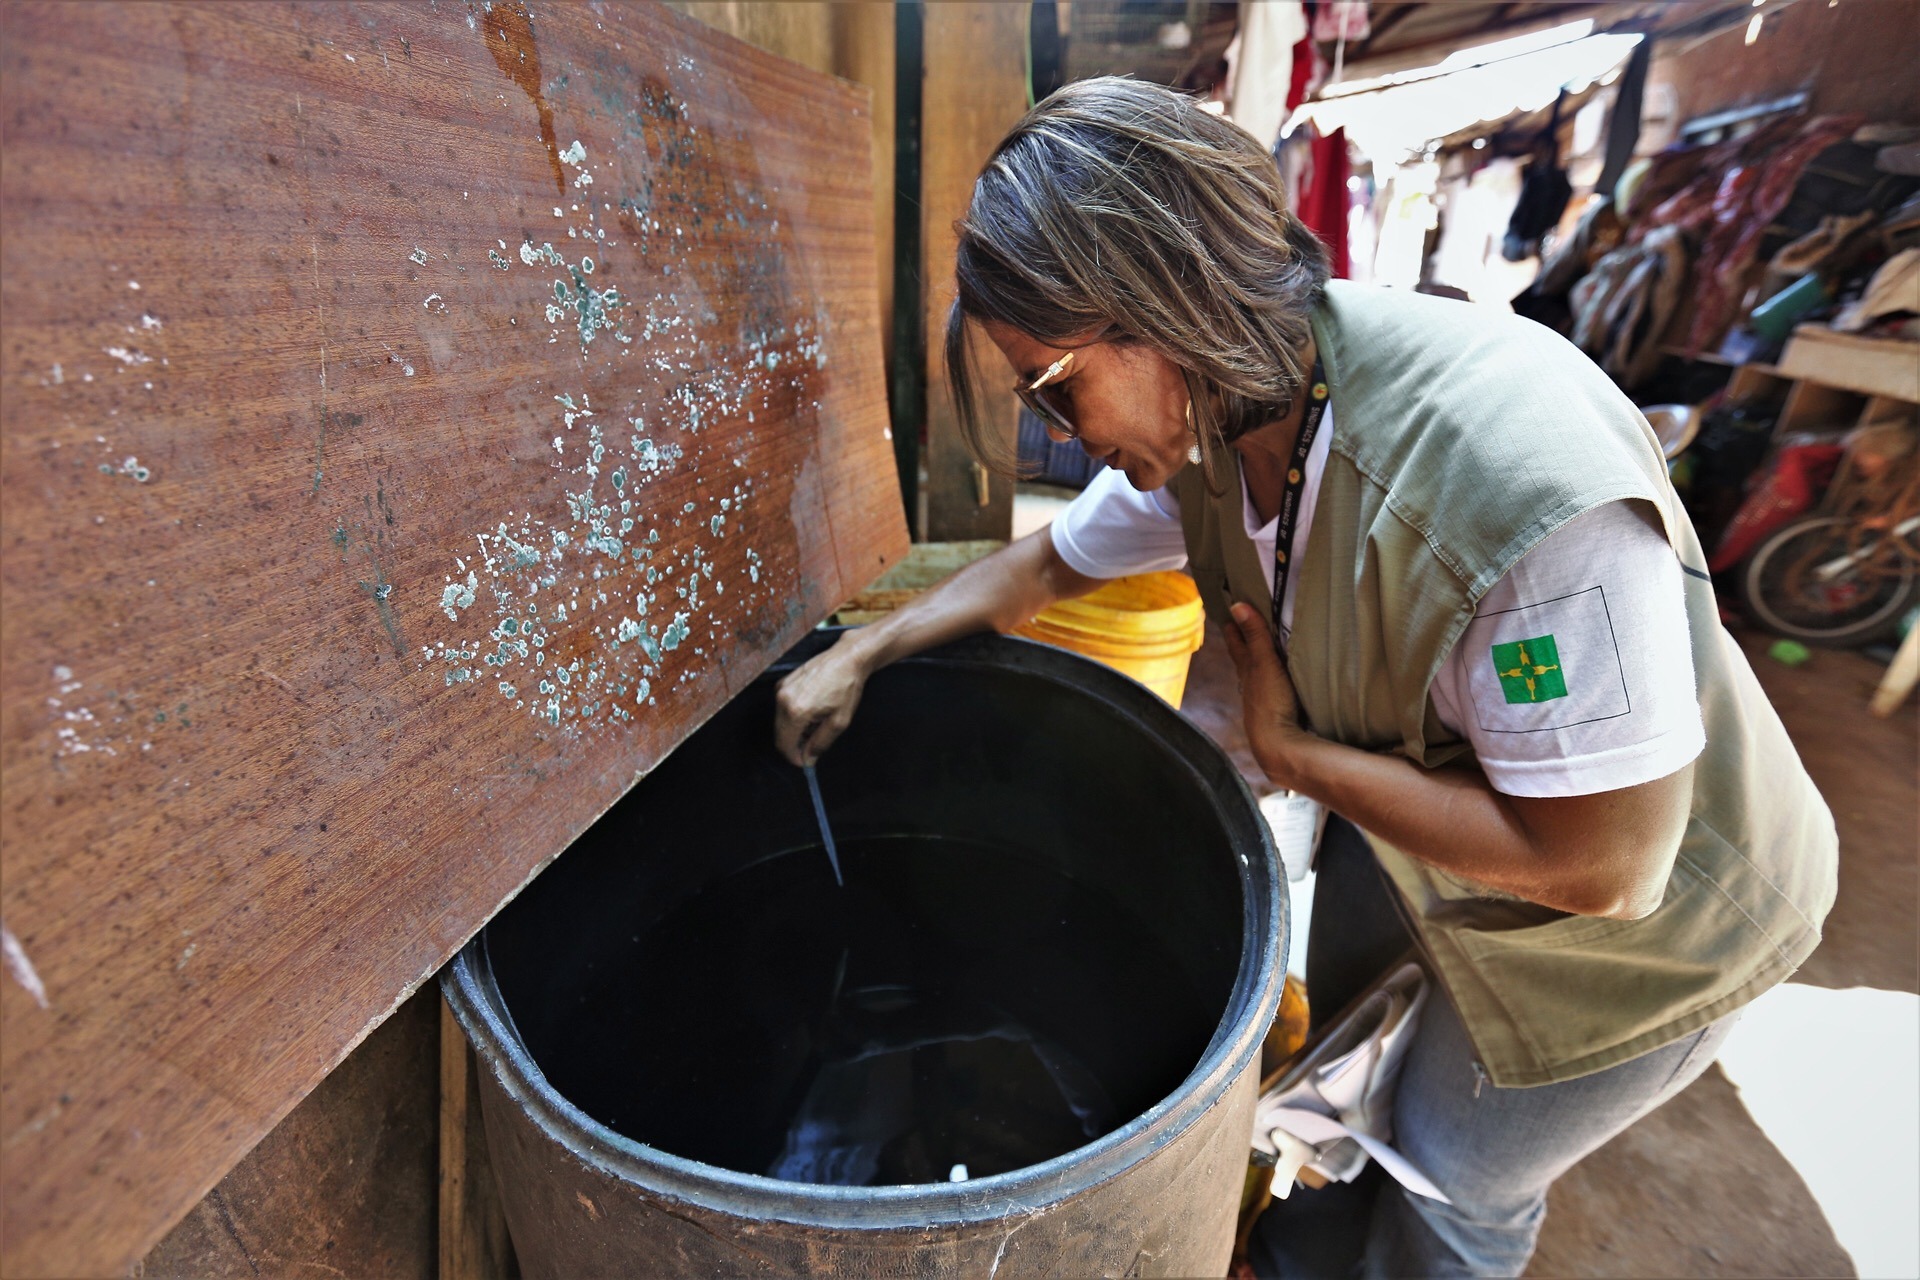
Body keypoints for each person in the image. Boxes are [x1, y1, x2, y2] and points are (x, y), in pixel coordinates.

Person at [774, 78, 1836, 1278]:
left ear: (1164, 300)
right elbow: (1043, 565)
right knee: (1355, 1069)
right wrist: (865, 647)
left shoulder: (1512, 488)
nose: (1060, 434)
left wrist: (1295, 758)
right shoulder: (1228, 419)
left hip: (1664, 925)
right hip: (1451, 818)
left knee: (1459, 1163)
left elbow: (1606, 865)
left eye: (1053, 384)